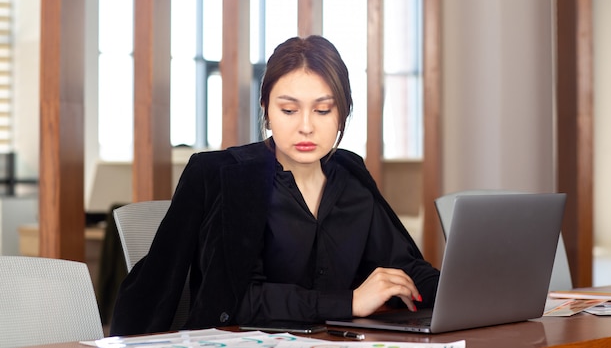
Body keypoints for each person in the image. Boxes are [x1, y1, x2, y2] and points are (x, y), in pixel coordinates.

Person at [110, 35, 440, 336]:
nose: (306, 126)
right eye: (289, 109)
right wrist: (349, 302)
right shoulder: (227, 178)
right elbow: (238, 299)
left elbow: (406, 269)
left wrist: (461, 292)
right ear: (266, 110)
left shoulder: (351, 178)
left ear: (343, 114)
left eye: (323, 110)